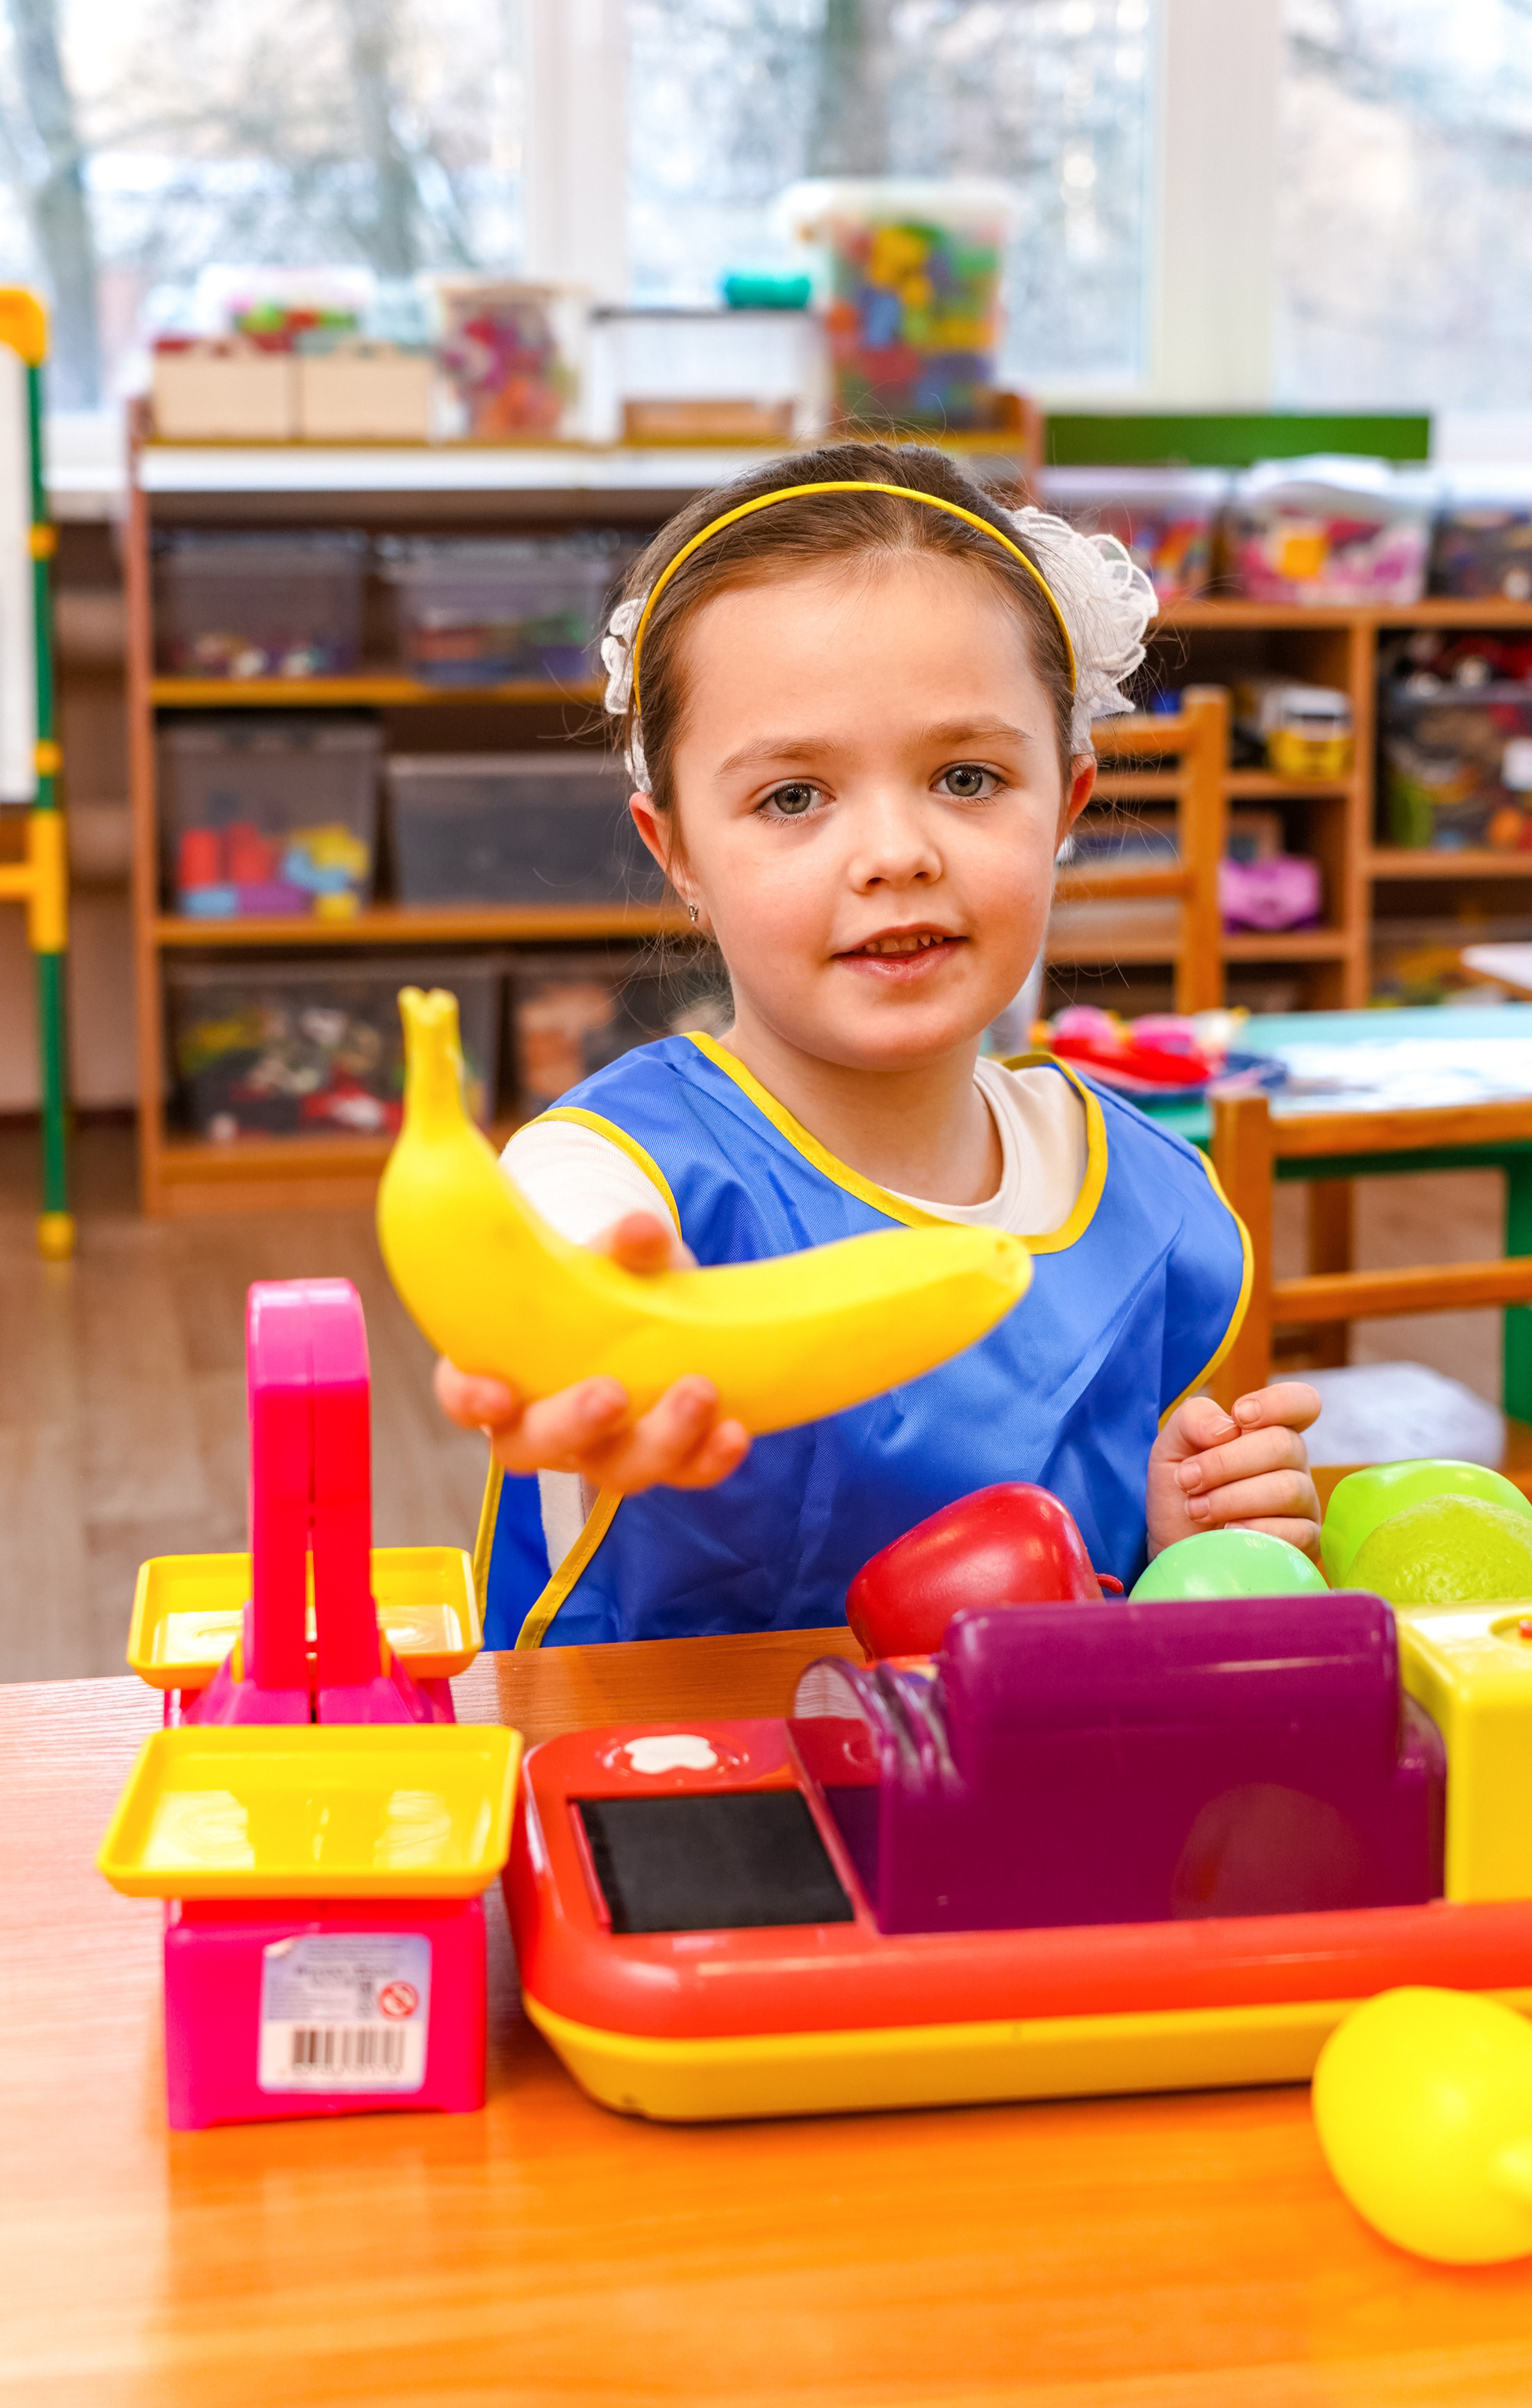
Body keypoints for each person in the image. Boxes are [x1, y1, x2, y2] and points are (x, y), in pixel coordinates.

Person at [438, 440, 1321, 1647]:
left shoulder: (1158, 1205)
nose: (896, 853)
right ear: (677, 850)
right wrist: (590, 1344)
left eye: (966, 777)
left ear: (1064, 806)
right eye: (794, 797)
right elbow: (572, 1259)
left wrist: (1190, 1541)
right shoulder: (619, 1172)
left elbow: (1109, 1608)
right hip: (687, 1808)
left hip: (1038, 1807)